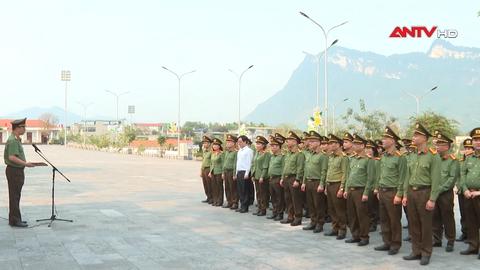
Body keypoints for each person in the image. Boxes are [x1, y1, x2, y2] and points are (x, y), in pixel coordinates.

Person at [402, 123, 441, 266]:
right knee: (413, 223)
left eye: (416, 135)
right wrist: (405, 194)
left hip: (425, 192)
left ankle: (426, 252)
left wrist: (432, 199)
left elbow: (436, 179)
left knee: (425, 224)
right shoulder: (412, 156)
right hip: (412, 192)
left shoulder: (433, 156)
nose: (413, 137)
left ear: (424, 138)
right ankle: (416, 250)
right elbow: (407, 176)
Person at [4, 118, 43, 227]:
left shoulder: (16, 139)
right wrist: (26, 164)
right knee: (14, 196)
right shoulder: (12, 140)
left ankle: (15, 218)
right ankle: (15, 220)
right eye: (23, 127)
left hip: (17, 170)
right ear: (17, 128)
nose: (25, 129)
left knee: (16, 195)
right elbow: (11, 157)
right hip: (14, 171)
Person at [374, 127, 407, 255]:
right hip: (383, 191)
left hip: (393, 192)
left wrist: (399, 194)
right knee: (384, 219)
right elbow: (380, 174)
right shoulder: (383, 156)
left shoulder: (400, 157)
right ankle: (386, 242)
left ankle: (395, 244)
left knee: (394, 220)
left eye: (385, 138)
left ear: (393, 141)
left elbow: (402, 177)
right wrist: (377, 189)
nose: (383, 140)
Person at [344, 134, 375, 246]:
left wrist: (366, 193)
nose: (355, 146)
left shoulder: (368, 160)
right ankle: (355, 235)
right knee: (352, 215)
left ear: (363, 146)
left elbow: (370, 178)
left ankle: (364, 237)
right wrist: (346, 189)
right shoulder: (351, 159)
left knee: (362, 215)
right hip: (351, 190)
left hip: (361, 191)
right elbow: (348, 175)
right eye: (354, 143)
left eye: (358, 144)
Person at [432, 131, 459, 252]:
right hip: (434, 193)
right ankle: (437, 239)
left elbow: (451, 179)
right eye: (436, 144)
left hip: (445, 194)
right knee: (435, 216)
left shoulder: (453, 160)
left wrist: (439, 189)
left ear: (447, 146)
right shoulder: (434, 159)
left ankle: (450, 240)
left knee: (447, 216)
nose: (437, 146)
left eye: (440, 144)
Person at [321, 134, 349, 240]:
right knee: (331, 208)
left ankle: (342, 229)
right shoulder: (330, 157)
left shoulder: (343, 157)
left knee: (339, 209)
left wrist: (342, 188)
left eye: (333, 143)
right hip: (329, 184)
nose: (331, 145)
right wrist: (325, 185)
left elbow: (344, 173)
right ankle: (335, 228)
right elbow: (328, 171)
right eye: (330, 143)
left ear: (338, 144)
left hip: (337, 184)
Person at [301, 130, 328, 233]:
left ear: (318, 143)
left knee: (318, 204)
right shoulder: (309, 155)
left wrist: (321, 184)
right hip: (308, 181)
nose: (310, 143)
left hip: (317, 182)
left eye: (312, 141)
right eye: (309, 141)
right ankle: (313, 221)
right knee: (311, 204)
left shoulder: (323, 156)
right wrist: (303, 182)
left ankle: (320, 223)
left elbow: (324, 171)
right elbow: (306, 169)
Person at [459, 127, 480, 259]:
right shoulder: (469, 158)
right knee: (471, 222)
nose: (477, 142)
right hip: (468, 195)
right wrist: (465, 189)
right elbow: (462, 174)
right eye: (475, 140)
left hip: (479, 195)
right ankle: (473, 246)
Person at [280, 131, 305, 226]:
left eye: (290, 140)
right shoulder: (288, 154)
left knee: (296, 199)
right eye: (287, 140)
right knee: (288, 199)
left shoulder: (299, 154)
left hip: (293, 178)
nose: (287, 142)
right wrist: (282, 178)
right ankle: (290, 216)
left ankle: (298, 217)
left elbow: (300, 168)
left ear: (295, 142)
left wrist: (298, 180)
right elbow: (285, 167)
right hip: (286, 178)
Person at [456, 138, 474, 242]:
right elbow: (458, 176)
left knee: (471, 215)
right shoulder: (461, 161)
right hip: (462, 191)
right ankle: (465, 233)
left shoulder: (475, 160)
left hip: (471, 191)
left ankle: (472, 236)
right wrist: (458, 186)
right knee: (463, 213)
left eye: (469, 148)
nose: (467, 150)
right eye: (466, 148)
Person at [267, 134, 286, 221]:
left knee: (279, 197)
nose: (272, 147)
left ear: (279, 147)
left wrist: (282, 178)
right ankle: (274, 212)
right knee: (273, 197)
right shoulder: (272, 157)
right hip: (271, 178)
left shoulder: (282, 157)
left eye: (275, 146)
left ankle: (280, 213)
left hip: (278, 178)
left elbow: (283, 169)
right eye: (271, 146)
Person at [251, 136, 271, 216]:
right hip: (256, 176)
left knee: (263, 194)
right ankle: (259, 208)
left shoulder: (267, 154)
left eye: (259, 144)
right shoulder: (257, 153)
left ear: (263, 145)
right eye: (257, 143)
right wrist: (253, 174)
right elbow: (253, 164)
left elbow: (265, 166)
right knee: (258, 193)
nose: (257, 145)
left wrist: (262, 176)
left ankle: (263, 209)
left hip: (263, 177)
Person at [235, 135, 254, 213]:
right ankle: (242, 205)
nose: (239, 143)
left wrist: (247, 172)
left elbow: (249, 162)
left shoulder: (249, 151)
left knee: (245, 190)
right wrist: (236, 172)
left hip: (245, 172)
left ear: (245, 142)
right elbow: (238, 162)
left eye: (240, 142)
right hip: (239, 171)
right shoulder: (240, 151)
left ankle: (245, 207)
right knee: (240, 190)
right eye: (238, 142)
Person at [222, 134, 238, 209]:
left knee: (233, 188)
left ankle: (235, 202)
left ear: (234, 143)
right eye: (227, 142)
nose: (228, 143)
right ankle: (229, 201)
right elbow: (224, 163)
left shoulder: (235, 152)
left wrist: (234, 174)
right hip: (226, 171)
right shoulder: (226, 152)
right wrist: (223, 172)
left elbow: (235, 164)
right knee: (227, 187)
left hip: (232, 171)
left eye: (230, 142)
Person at [208, 138, 224, 207]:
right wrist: (210, 172)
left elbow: (223, 164)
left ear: (219, 146)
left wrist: (223, 173)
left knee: (219, 187)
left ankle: (220, 201)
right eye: (213, 145)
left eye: (216, 145)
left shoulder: (221, 154)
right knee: (214, 187)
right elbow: (211, 163)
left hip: (219, 172)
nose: (214, 146)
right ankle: (215, 200)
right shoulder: (213, 153)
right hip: (213, 172)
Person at [200, 136, 213, 204]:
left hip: (208, 169)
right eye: (204, 143)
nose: (204, 144)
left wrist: (211, 171)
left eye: (206, 143)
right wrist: (201, 171)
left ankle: (212, 198)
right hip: (204, 169)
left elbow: (212, 162)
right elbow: (203, 161)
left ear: (210, 144)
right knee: (205, 184)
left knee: (210, 184)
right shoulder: (204, 151)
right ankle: (208, 197)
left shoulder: (211, 152)